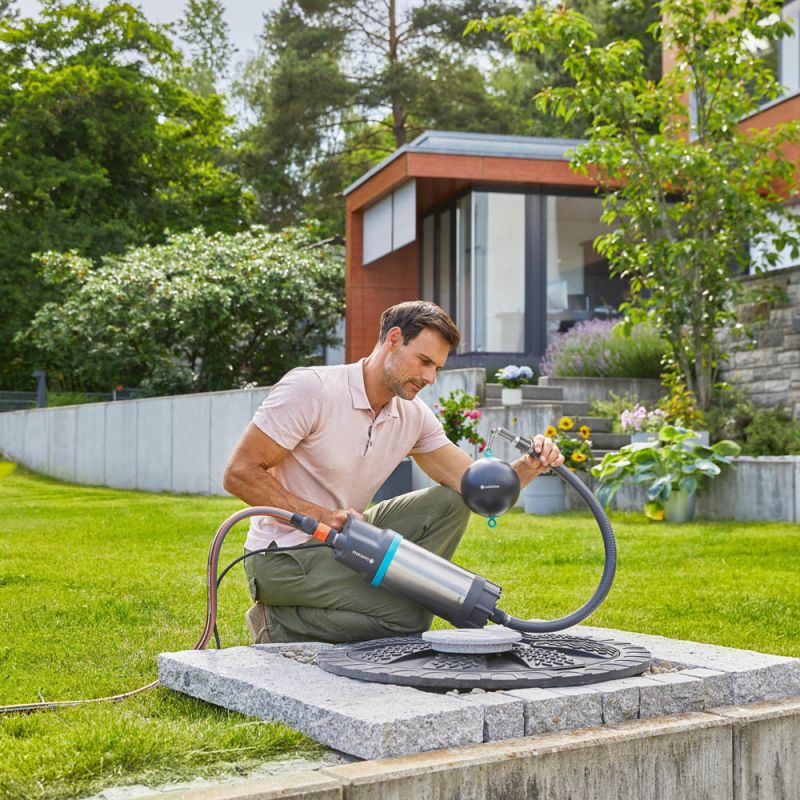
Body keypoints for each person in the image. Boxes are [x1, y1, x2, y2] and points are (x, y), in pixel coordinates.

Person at [223, 301, 564, 644]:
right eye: (424, 361)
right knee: (408, 618)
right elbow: (239, 473)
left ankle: (409, 592)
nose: (430, 378)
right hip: (282, 556)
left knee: (451, 502)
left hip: (347, 539)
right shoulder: (313, 389)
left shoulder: (412, 415)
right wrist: (322, 517)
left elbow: (474, 485)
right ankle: (277, 623)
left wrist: (528, 466)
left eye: (437, 368)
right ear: (394, 340)